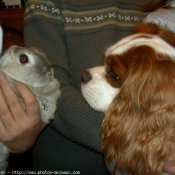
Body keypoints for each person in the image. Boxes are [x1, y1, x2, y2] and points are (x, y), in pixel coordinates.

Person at [0, 0, 174, 174]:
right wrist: (137, 142)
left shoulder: (156, 9)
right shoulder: (47, 3)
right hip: (68, 165)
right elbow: (49, 87)